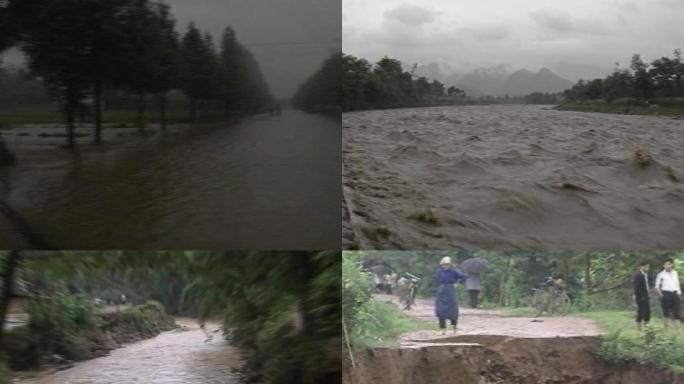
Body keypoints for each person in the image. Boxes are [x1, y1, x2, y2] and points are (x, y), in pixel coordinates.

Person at [435, 256, 467, 335]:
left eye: (447, 264)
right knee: (440, 310)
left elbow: (464, 276)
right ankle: (442, 329)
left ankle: (454, 328)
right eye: (444, 264)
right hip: (441, 291)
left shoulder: (454, 272)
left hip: (450, 291)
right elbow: (437, 280)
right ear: (442, 265)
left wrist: (458, 283)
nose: (446, 266)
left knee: (452, 310)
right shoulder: (440, 272)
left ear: (450, 265)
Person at [655, 257, 682, 328]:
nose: (667, 266)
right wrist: (661, 295)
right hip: (666, 294)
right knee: (666, 313)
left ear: (671, 265)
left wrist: (679, 293)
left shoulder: (675, 273)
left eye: (669, 264)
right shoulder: (661, 274)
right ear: (663, 265)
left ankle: (678, 330)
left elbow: (677, 283)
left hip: (675, 294)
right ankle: (665, 329)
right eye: (666, 264)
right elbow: (657, 286)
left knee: (676, 312)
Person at [633, 260, 651, 330]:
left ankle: (647, 327)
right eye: (646, 267)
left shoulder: (646, 275)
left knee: (648, 312)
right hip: (641, 297)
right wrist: (639, 296)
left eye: (648, 267)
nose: (648, 268)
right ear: (641, 267)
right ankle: (639, 328)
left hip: (646, 296)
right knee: (641, 312)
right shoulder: (638, 275)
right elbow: (636, 287)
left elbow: (647, 285)